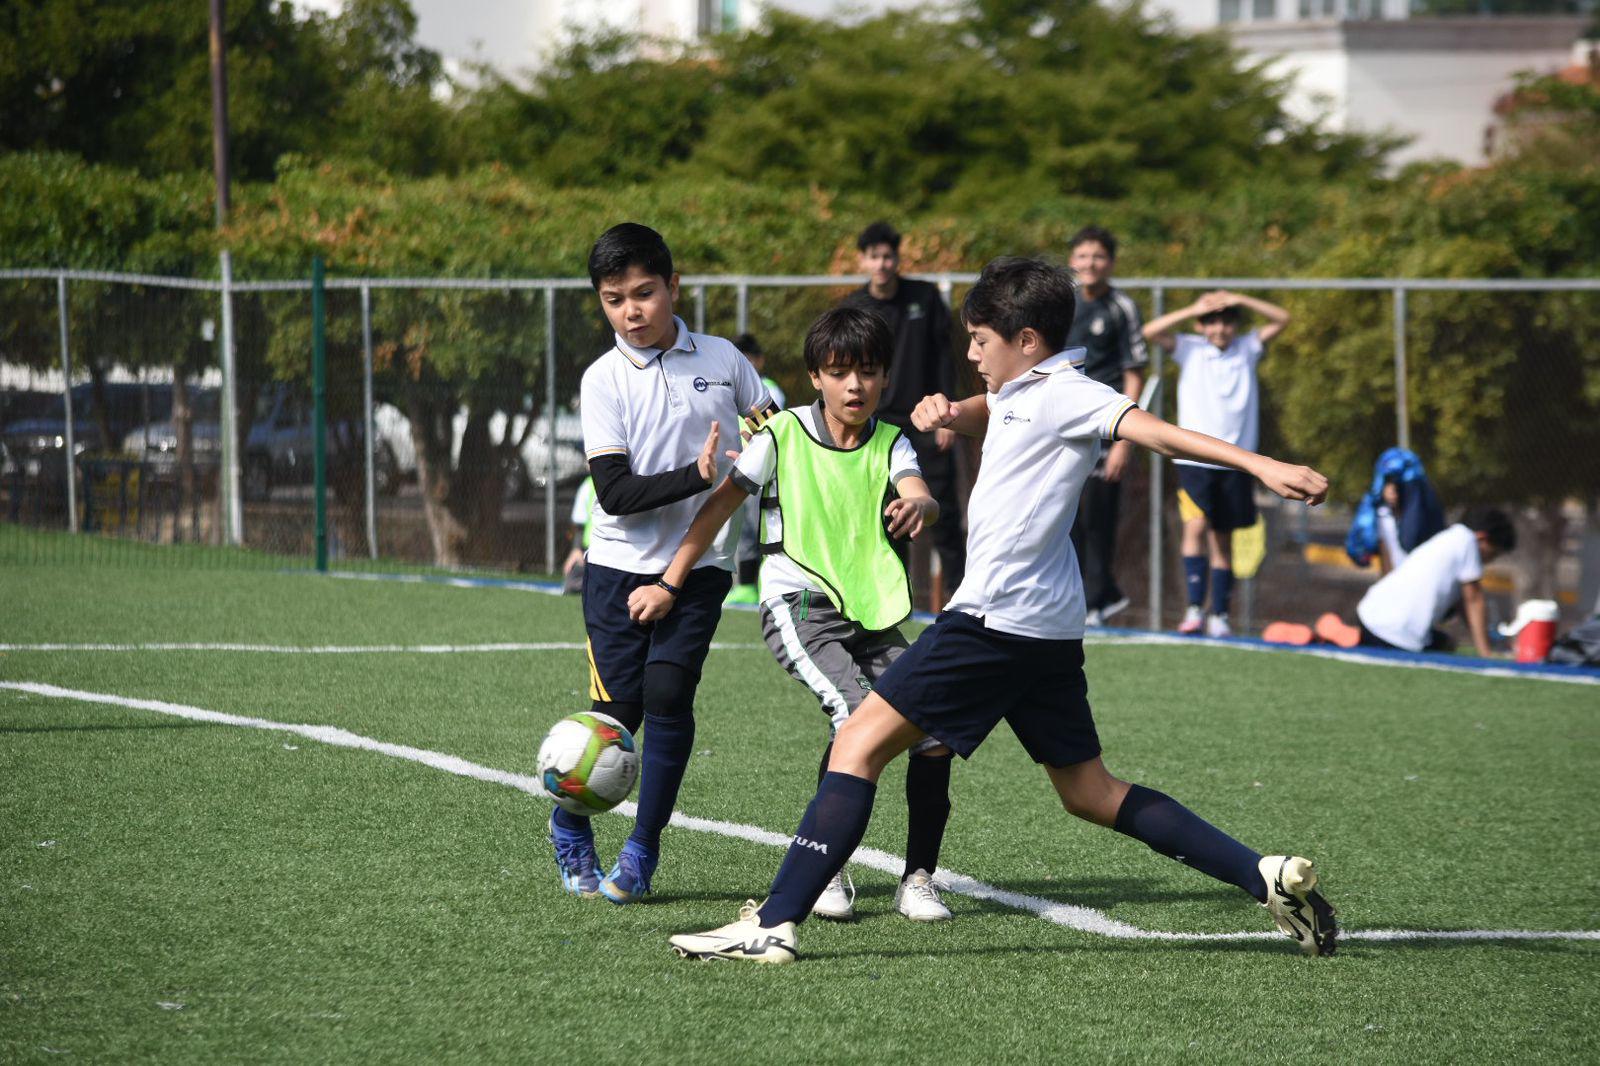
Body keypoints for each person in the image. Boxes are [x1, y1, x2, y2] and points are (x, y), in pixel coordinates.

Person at [667, 257, 1337, 965]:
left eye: (980, 341)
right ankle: (1261, 875)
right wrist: (956, 412)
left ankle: (773, 923)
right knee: (1089, 790)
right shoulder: (1028, 387)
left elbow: (1153, 430)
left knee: (858, 742)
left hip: (992, 621)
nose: (970, 354)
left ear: (1024, 339)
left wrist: (1261, 466)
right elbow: (1001, 411)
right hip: (1045, 631)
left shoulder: (1070, 394)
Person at [631, 306, 956, 923]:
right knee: (857, 713)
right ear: (815, 377)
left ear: (885, 378)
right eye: (840, 372)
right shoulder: (780, 436)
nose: (854, 386)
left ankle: (918, 878)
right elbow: (719, 508)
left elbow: (918, 492)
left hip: (873, 613)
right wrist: (669, 583)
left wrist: (923, 509)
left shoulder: (893, 443)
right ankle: (827, 868)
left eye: (867, 371)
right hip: (798, 604)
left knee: (933, 728)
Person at [553, 222, 774, 904]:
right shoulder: (603, 380)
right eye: (614, 299)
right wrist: (695, 475)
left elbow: (771, 430)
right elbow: (614, 495)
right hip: (616, 570)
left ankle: (642, 851)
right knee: (616, 720)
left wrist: (765, 449)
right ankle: (570, 822)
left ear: (674, 286)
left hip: (702, 567)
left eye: (645, 293)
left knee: (672, 695)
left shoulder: (725, 359)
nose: (631, 311)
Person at [1143, 290, 1291, 637]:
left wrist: (1242, 297)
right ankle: (1195, 608)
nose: (1220, 329)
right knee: (1195, 527)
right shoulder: (1189, 348)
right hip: (1193, 459)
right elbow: (1149, 332)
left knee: (1221, 540)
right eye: (1212, 322)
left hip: (1237, 461)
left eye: (1227, 321)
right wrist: (1195, 308)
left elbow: (1282, 318)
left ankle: (1220, 614)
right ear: (1201, 325)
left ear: (1236, 325)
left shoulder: (1248, 348)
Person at [841, 221, 965, 598]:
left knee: (942, 512)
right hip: (876, 424)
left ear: (897, 258)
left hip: (926, 420)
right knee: (883, 513)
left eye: (888, 255)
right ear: (863, 260)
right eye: (874, 256)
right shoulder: (854, 306)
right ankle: (892, 596)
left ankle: (963, 601)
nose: (882, 263)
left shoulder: (924, 298)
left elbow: (946, 358)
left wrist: (947, 415)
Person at [1064, 226, 1148, 626]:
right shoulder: (1062, 304)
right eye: (1082, 256)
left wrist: (1123, 441)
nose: (1089, 264)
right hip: (1065, 426)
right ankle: (1083, 596)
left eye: (1097, 257)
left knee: (1098, 518)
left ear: (1110, 263)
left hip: (1106, 427)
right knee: (1067, 516)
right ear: (1072, 261)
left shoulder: (1122, 307)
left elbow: (1135, 371)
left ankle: (1097, 601)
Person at [1312, 508, 1516, 657]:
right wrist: (1486, 654)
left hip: (1369, 615)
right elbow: (1473, 600)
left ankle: (1345, 637)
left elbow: (1463, 606)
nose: (1490, 561)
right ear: (1482, 538)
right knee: (1444, 647)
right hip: (1397, 635)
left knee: (1441, 641)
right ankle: (1348, 641)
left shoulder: (1449, 538)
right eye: (1493, 554)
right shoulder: (1468, 542)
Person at [726, 333, 786, 605]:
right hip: (737, 467)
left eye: (749, 360)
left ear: (760, 361)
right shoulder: (728, 388)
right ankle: (746, 586)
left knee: (763, 525)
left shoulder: (769, 389)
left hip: (765, 469)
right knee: (743, 529)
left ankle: (769, 581)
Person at [1344, 448, 1444, 575]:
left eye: (1398, 485)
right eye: (1388, 483)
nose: (1393, 490)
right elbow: (1386, 562)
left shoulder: (1424, 514)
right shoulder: (1381, 516)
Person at [561, 475, 600, 595]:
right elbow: (579, 523)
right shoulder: (588, 485)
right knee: (572, 584)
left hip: (616, 549)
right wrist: (576, 549)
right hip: (589, 550)